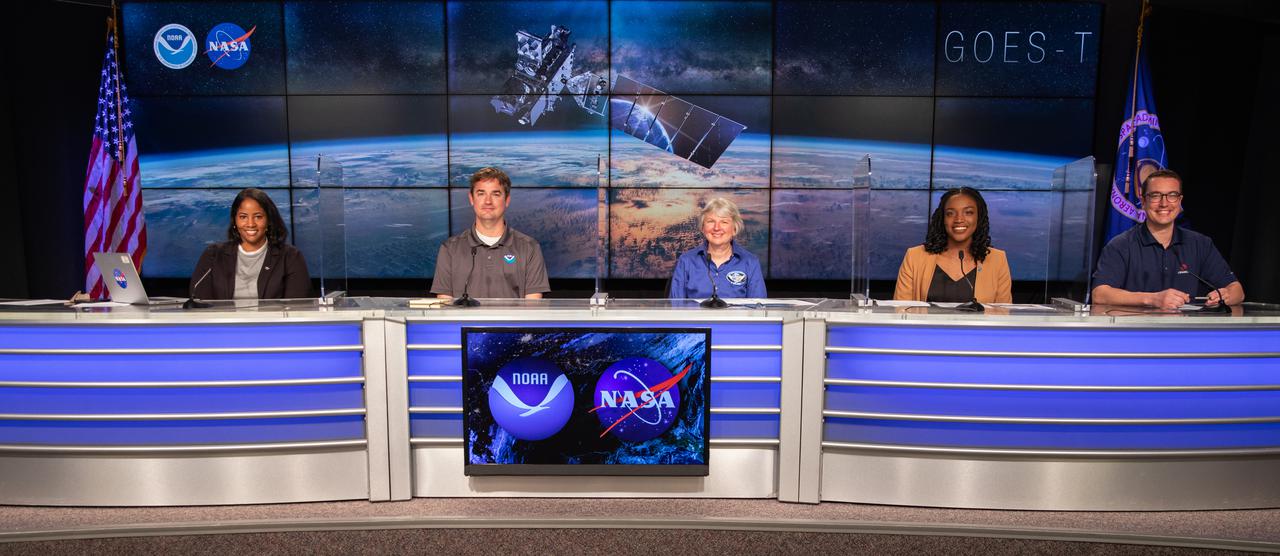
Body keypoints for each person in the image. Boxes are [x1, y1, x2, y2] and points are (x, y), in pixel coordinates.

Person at [1092, 169, 1244, 309]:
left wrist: (1224, 296)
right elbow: (1100, 294)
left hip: (1186, 334)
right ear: (1143, 201)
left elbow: (1237, 291)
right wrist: (1153, 299)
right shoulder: (1120, 245)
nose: (1164, 204)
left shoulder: (1200, 244)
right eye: (1155, 196)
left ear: (1179, 201)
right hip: (1136, 334)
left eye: (1172, 195)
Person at [431, 167, 550, 299]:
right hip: (464, 321)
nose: (488, 201)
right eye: (481, 193)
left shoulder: (529, 247)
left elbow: (533, 309)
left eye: (496, 194)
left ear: (507, 200)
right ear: (471, 199)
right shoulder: (449, 249)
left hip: (512, 320)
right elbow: (444, 309)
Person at [894, 187, 1012, 303]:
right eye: (950, 213)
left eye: (968, 212)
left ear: (979, 217)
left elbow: (1003, 315)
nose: (959, 219)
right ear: (943, 219)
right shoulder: (914, 257)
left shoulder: (998, 260)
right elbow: (900, 312)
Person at [189, 188, 311, 300]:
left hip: (271, 324)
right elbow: (199, 305)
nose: (250, 224)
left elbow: (297, 308)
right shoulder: (213, 255)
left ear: (268, 220)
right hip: (225, 323)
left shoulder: (290, 257)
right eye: (243, 217)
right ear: (235, 220)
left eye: (258, 217)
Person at [670, 197, 767, 299]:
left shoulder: (750, 262)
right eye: (711, 221)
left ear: (734, 229)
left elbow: (758, 308)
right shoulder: (686, 261)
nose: (716, 228)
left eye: (724, 222)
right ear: (703, 228)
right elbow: (675, 308)